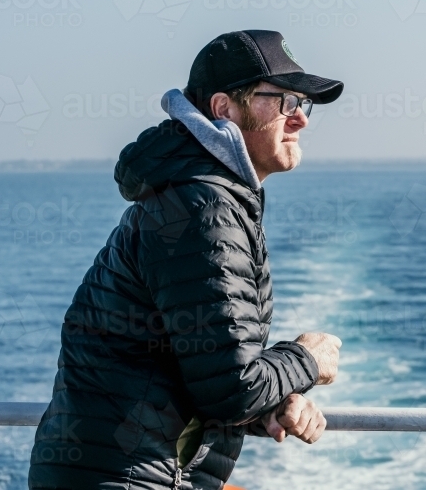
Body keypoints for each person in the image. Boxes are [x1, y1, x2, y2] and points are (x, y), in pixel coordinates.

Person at [29, 30, 344, 490]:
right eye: (284, 102)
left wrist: (271, 405)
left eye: (302, 103)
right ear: (224, 110)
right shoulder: (204, 209)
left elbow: (193, 375)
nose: (300, 120)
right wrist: (306, 359)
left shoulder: (195, 195)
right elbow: (231, 390)